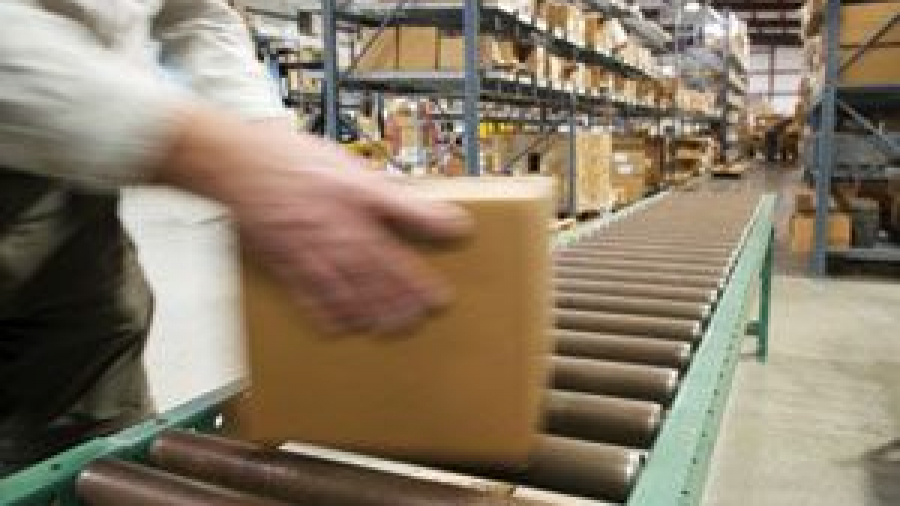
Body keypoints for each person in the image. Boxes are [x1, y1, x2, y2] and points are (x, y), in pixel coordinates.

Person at [0, 0, 469, 474]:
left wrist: (267, 133)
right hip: (40, 128)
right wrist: (213, 154)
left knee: (100, 436)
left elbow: (197, 13)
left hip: (70, 171)